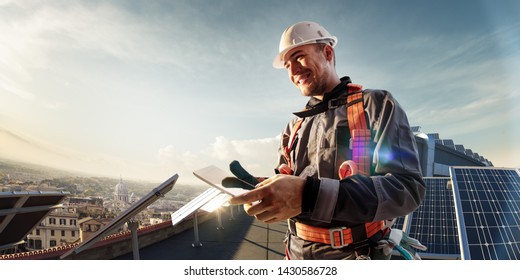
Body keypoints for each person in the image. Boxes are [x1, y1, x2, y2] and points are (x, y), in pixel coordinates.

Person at [229, 21, 425, 260]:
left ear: (328, 53)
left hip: (354, 254)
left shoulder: (375, 105)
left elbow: (406, 189)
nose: (293, 71)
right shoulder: (294, 127)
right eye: (287, 66)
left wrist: (311, 195)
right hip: (295, 252)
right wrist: (265, 189)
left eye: (299, 57)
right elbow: (291, 186)